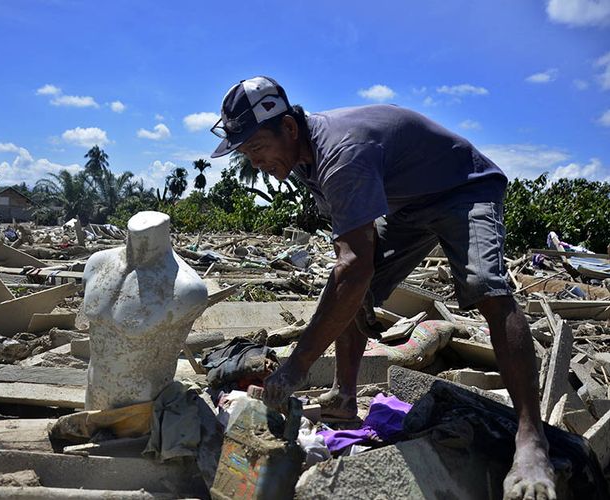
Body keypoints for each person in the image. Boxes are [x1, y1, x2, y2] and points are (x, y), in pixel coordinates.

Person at [210, 76, 556, 500]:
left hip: (465, 187)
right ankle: (343, 397)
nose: (256, 163)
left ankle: (530, 438)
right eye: (247, 155)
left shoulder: (341, 152)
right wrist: (351, 283)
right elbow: (351, 265)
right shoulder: (301, 161)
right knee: (351, 285)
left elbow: (354, 268)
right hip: (408, 202)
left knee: (488, 287)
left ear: (288, 128)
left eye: (257, 149)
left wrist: (297, 365)